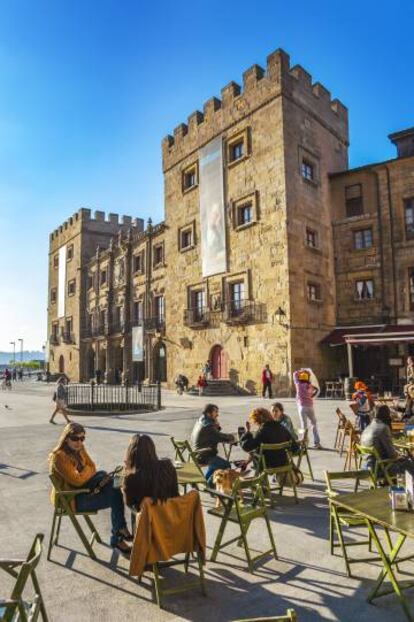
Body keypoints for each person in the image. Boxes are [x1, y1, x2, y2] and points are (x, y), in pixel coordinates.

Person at [48, 422, 132, 556]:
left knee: (108, 479)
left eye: (82, 438)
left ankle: (119, 532)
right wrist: (87, 470)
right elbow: (77, 480)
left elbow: (93, 467)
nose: (79, 442)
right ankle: (118, 534)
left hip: (83, 490)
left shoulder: (79, 449)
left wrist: (85, 472)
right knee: (115, 492)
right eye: (75, 438)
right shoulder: (59, 456)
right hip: (70, 499)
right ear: (66, 438)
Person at [122, 434, 179, 511]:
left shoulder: (131, 478)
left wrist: (127, 475)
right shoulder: (168, 467)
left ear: (132, 453)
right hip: (171, 515)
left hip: (149, 520)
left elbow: (130, 503)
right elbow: (175, 493)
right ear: (152, 449)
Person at [361, 405, 414, 478]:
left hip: (368, 466)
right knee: (409, 463)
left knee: (404, 460)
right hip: (380, 470)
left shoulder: (368, 428)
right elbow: (392, 455)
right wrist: (400, 457)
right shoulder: (383, 428)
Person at [190, 403, 235, 485]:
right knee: (226, 465)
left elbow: (214, 434)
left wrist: (216, 425)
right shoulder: (208, 425)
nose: (217, 414)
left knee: (216, 463)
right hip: (203, 455)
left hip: (197, 453)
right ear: (208, 413)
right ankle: (210, 485)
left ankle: (207, 480)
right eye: (216, 412)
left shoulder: (202, 420)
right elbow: (219, 436)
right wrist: (232, 437)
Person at [293, 368, 322, 449]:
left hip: (302, 407)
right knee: (314, 424)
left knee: (304, 426)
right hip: (310, 407)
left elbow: (294, 374)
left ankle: (304, 444)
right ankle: (317, 443)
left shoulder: (298, 384)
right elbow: (315, 391)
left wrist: (301, 370)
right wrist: (308, 372)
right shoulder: (310, 386)